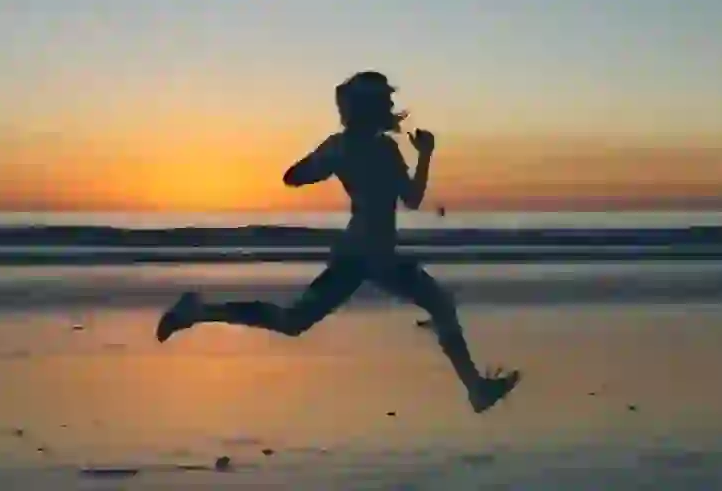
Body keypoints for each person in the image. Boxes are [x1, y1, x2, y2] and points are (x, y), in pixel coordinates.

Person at [155, 71, 519, 413]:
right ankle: (198, 311)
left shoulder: (355, 147)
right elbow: (407, 197)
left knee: (301, 320)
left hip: (368, 254)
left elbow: (296, 178)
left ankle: (475, 388)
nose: (390, 109)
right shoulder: (371, 149)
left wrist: (330, 162)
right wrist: (419, 155)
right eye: (384, 103)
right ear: (373, 109)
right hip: (365, 257)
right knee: (297, 321)